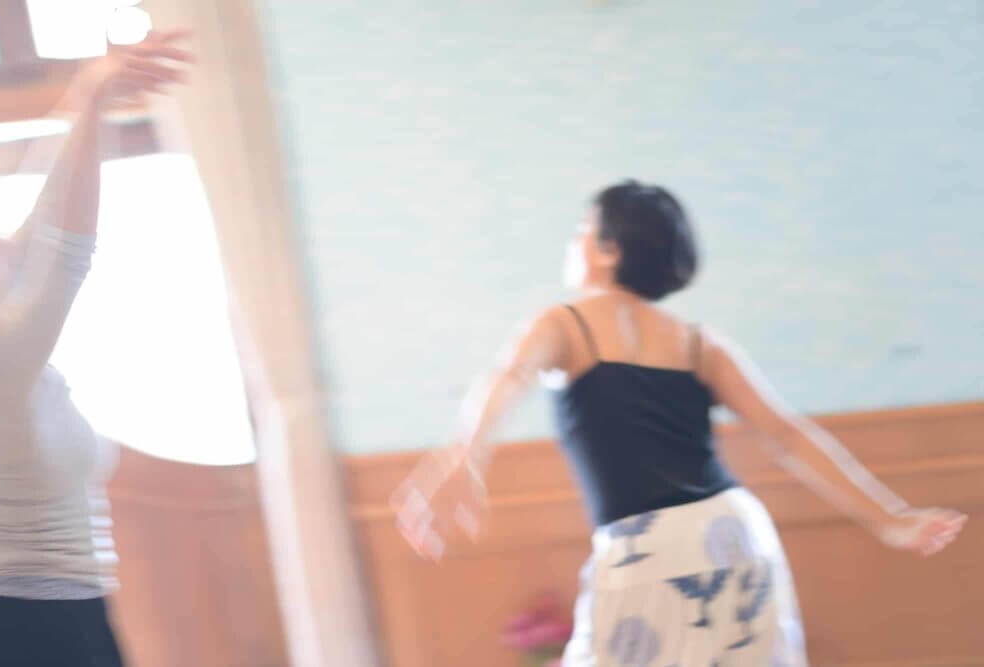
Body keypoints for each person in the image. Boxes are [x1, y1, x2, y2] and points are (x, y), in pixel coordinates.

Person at [391, 181, 967, 666]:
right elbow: (788, 436)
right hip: (738, 534)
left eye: (582, 231)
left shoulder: (566, 324)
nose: (573, 243)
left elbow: (507, 377)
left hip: (647, 548)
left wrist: (467, 454)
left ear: (609, 250)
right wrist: (888, 517)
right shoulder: (698, 342)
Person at [0, 31, 192, 667]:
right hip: (27, 627)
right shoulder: (0, 364)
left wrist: (84, 101)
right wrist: (93, 100)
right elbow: (63, 250)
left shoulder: (9, 357)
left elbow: (39, 235)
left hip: (48, 617)